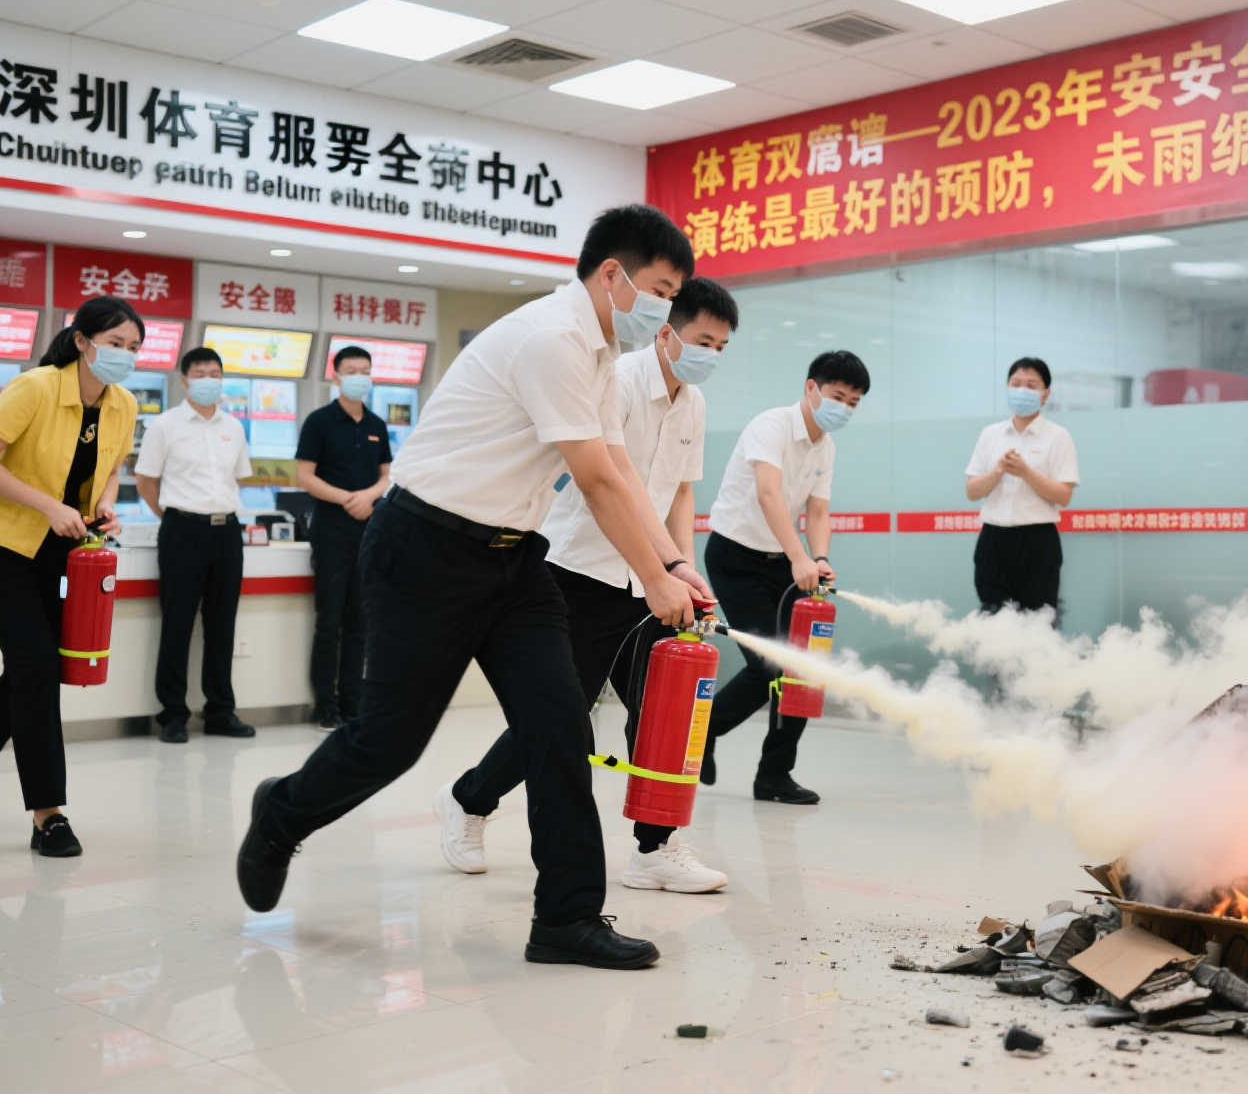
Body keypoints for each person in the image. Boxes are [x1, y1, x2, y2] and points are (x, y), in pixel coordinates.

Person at [236, 205, 706, 973]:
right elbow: (591, 479)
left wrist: (674, 562)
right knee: (390, 740)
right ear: (613, 275)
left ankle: (566, 919)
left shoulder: (596, 355)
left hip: (513, 558)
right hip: (426, 547)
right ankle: (282, 812)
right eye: (659, 288)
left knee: (560, 729)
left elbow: (618, 468)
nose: (663, 307)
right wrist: (654, 581)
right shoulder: (553, 338)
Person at [441, 277, 738, 894]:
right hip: (580, 569)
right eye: (704, 340)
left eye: (723, 345)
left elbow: (682, 490)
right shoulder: (621, 382)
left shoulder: (695, 404)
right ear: (666, 332)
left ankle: (656, 846)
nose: (712, 354)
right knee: (561, 715)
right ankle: (471, 800)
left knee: (665, 709)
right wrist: (667, 567)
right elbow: (614, 483)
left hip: (654, 578)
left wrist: (683, 563)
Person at [0, 296, 142, 857]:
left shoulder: (123, 404)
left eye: (133, 348)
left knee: (34, 667)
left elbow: (111, 468)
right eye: (115, 343)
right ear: (81, 340)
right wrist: (49, 506)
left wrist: (102, 503)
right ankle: (48, 814)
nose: (124, 356)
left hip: (60, 550)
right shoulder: (37, 387)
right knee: (36, 666)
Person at [700, 350, 870, 806]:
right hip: (735, 557)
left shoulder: (825, 446)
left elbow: (817, 509)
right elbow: (768, 493)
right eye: (839, 396)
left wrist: (820, 556)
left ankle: (774, 775)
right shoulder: (771, 425)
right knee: (767, 666)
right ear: (811, 387)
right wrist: (800, 558)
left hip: (784, 561)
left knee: (801, 670)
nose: (845, 408)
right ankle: (701, 734)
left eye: (854, 402)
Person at [136, 346, 255, 744]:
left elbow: (238, 478)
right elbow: (146, 482)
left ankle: (221, 711)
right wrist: (174, 517)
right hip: (182, 531)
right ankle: (172, 714)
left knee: (222, 626)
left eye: (215, 374)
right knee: (178, 624)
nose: (209, 381)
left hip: (227, 532)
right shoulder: (165, 426)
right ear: (184, 380)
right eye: (200, 374)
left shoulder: (234, 427)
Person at [294, 345, 390, 730]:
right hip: (332, 530)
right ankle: (325, 704)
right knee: (329, 621)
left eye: (365, 370)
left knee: (361, 623)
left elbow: (386, 475)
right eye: (351, 370)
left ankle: (354, 701)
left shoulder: (376, 425)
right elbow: (304, 476)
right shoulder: (319, 422)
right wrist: (347, 499)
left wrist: (368, 496)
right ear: (335, 376)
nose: (359, 377)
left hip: (370, 530)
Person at [964, 357, 1079, 620]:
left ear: (1045, 393)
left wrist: (1026, 472)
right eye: (1016, 384)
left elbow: (1064, 495)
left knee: (1037, 621)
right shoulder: (990, 434)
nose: (1022, 391)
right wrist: (998, 471)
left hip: (1037, 542)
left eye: (1031, 385)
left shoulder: (1058, 436)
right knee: (992, 620)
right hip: (993, 539)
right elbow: (971, 491)